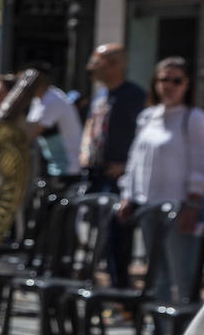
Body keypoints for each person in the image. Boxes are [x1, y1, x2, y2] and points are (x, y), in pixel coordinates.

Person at [117, 57, 204, 305]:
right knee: (156, 274)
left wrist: (193, 204)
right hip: (148, 205)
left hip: (179, 207)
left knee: (183, 274)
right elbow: (135, 160)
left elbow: (200, 164)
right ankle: (159, 334)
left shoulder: (194, 118)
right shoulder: (147, 116)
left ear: (187, 84)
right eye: (164, 79)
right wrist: (127, 195)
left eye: (177, 80)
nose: (169, 86)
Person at [81, 42, 146, 193]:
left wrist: (126, 165)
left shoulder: (134, 96)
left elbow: (145, 135)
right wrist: (84, 151)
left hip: (119, 178)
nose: (90, 67)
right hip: (94, 173)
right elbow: (91, 123)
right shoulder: (100, 94)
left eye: (96, 62)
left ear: (113, 64)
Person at [26, 65, 84, 184]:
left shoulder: (53, 100)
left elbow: (30, 133)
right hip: (52, 166)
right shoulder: (38, 99)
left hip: (67, 168)